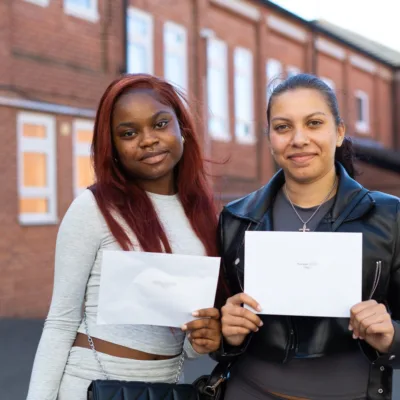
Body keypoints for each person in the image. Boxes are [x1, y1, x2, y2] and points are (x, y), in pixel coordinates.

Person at [26, 74, 222, 400]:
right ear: (113, 147)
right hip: (90, 384)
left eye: (160, 124)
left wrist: (202, 339)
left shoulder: (202, 216)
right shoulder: (93, 208)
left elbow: (184, 342)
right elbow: (60, 322)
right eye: (129, 133)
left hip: (166, 387)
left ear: (182, 129)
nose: (147, 140)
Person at [216, 74, 400, 400]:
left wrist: (391, 335)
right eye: (283, 127)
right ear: (269, 137)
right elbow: (213, 335)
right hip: (249, 391)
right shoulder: (236, 219)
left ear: (339, 131)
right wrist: (225, 330)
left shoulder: (389, 217)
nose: (299, 139)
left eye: (314, 123)